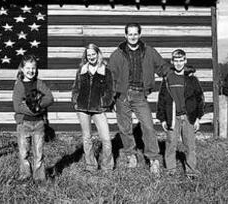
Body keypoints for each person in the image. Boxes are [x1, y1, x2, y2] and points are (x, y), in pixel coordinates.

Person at [109, 23, 170, 176]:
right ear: (125, 36)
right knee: (125, 128)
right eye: (130, 34)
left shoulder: (149, 51)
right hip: (122, 96)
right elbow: (110, 77)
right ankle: (131, 155)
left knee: (148, 127)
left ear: (140, 35)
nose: (133, 37)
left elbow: (162, 67)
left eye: (136, 34)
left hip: (140, 95)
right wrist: (111, 99)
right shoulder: (118, 53)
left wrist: (176, 74)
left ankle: (154, 159)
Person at [156, 49, 204, 178]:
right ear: (172, 62)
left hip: (188, 117)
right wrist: (163, 119)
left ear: (185, 61)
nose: (178, 63)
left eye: (181, 60)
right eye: (176, 60)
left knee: (190, 145)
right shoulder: (167, 79)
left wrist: (198, 118)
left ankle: (191, 170)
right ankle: (170, 170)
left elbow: (199, 98)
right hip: (173, 117)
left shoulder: (192, 80)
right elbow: (161, 100)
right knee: (171, 143)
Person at [71, 43, 114, 172]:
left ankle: (107, 167)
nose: (91, 57)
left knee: (106, 138)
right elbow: (75, 88)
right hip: (83, 108)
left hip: (98, 109)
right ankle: (91, 166)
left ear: (98, 54)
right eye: (88, 55)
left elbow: (110, 90)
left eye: (93, 54)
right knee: (87, 138)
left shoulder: (105, 71)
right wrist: (75, 101)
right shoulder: (82, 70)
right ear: (86, 57)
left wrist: (103, 102)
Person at [12, 55, 54, 184]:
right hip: (24, 123)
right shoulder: (19, 85)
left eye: (33, 68)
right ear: (22, 69)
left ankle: (39, 178)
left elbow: (49, 98)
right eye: (28, 68)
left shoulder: (39, 83)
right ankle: (25, 175)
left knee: (38, 152)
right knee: (24, 152)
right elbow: (17, 106)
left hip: (39, 124)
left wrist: (38, 106)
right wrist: (33, 109)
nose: (31, 71)